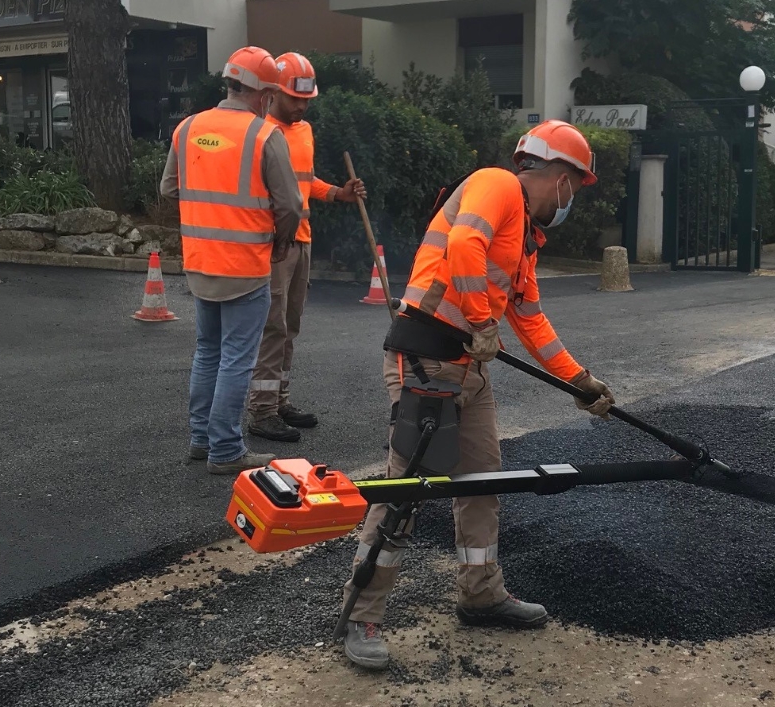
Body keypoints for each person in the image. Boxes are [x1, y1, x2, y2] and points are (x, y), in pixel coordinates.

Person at [339, 120, 617, 670]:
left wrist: (579, 381)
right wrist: (481, 319)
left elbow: (532, 320)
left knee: (484, 481)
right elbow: (465, 242)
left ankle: (480, 591)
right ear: (559, 175)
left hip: (469, 369)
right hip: (425, 362)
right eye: (575, 187)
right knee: (406, 491)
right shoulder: (496, 183)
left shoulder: (525, 242)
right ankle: (361, 615)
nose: (571, 201)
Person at [159, 46, 305, 475]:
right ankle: (225, 450)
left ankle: (201, 440)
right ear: (262, 93)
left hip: (200, 262)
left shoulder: (188, 129)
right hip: (244, 267)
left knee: (207, 353)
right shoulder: (264, 135)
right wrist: (279, 242)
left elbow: (171, 189)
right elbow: (291, 206)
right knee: (237, 358)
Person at [246, 52, 368, 443]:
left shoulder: (304, 131)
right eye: (294, 99)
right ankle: (261, 411)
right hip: (274, 242)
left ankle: (279, 401)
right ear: (274, 94)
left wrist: (338, 193)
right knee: (273, 327)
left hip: (302, 239)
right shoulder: (260, 131)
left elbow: (305, 180)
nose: (300, 106)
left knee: (290, 326)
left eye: (306, 100)